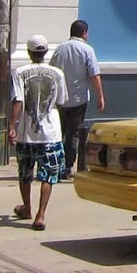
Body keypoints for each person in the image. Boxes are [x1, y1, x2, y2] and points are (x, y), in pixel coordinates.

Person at [9, 35, 67, 230]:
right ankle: (41, 215)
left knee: (25, 173)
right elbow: (61, 101)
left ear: (29, 52)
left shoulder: (20, 72)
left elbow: (18, 100)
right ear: (46, 52)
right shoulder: (57, 74)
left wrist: (12, 126)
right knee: (48, 176)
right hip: (51, 134)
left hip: (27, 134)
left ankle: (27, 207)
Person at [49, 20, 104, 181]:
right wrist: (100, 96)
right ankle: (67, 167)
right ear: (84, 33)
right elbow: (94, 75)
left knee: (58, 133)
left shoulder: (60, 49)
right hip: (78, 99)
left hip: (60, 100)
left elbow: (51, 71)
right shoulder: (87, 50)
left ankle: (55, 165)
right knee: (73, 135)